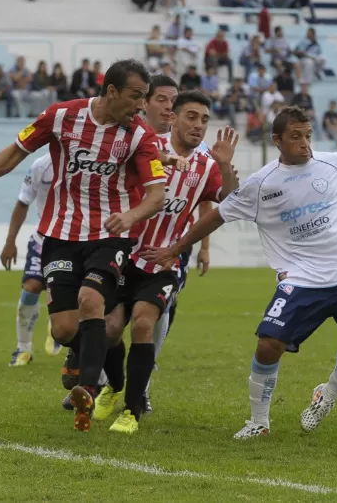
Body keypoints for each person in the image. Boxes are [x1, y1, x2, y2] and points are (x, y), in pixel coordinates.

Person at [142, 106, 337, 439]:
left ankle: (329, 392)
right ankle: (259, 422)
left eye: (308, 135)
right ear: (277, 140)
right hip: (302, 277)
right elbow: (218, 215)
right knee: (268, 344)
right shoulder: (262, 184)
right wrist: (176, 248)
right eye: (295, 136)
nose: (305, 143)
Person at [0, 59, 189, 433]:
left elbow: (156, 195)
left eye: (145, 99)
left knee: (93, 300)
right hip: (59, 235)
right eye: (136, 97)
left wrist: (131, 216)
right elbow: (17, 149)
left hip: (110, 234)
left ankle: (86, 390)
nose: (141, 107)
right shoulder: (61, 117)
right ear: (111, 92)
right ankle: (115, 379)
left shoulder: (139, 136)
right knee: (62, 330)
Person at [99, 91, 240, 435]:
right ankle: (113, 385)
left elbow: (229, 200)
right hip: (123, 254)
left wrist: (223, 165)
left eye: (204, 119)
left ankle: (132, 410)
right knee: (110, 330)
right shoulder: (147, 146)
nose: (198, 125)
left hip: (165, 260)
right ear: (173, 118)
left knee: (144, 324)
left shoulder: (206, 166)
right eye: (191, 116)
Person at [0, 154, 62, 366]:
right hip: (43, 239)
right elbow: (22, 202)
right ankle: (23, 349)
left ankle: (58, 327)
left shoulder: (87, 161)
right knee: (31, 287)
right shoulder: (41, 166)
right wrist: (10, 241)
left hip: (72, 241)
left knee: (67, 293)